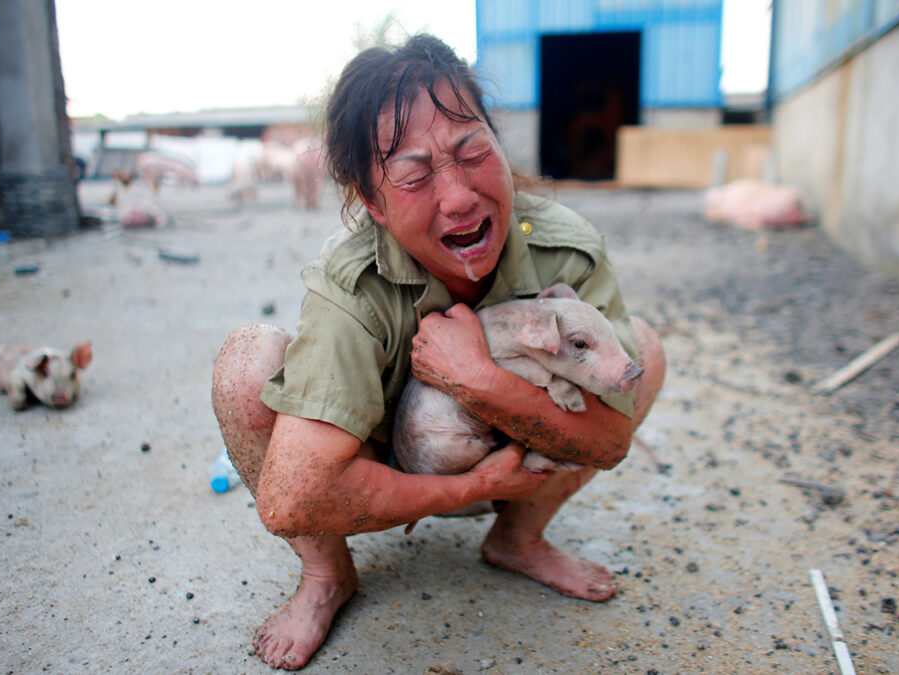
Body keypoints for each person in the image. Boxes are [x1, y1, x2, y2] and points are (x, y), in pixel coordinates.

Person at [211, 34, 667, 671]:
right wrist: (470, 488)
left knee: (641, 345)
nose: (458, 197)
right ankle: (326, 577)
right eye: (414, 173)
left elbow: (608, 443)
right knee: (246, 364)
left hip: (519, 452)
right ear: (372, 202)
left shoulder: (565, 249)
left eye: (472, 149)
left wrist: (479, 380)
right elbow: (291, 499)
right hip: (381, 468)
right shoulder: (351, 283)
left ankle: (517, 538)